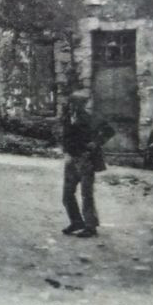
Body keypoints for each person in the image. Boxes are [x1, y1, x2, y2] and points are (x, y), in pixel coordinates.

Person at [60, 91, 115, 237]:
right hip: (71, 160)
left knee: (86, 195)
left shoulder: (90, 118)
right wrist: (66, 152)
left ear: (81, 105)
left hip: (86, 160)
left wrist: (96, 143)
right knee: (67, 195)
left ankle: (91, 227)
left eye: (75, 103)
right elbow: (66, 138)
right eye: (70, 103)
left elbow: (110, 131)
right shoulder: (67, 118)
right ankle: (77, 222)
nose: (71, 106)